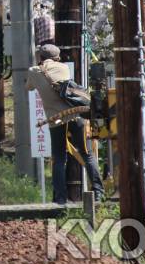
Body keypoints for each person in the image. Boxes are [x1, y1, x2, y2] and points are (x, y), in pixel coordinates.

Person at [26, 43, 105, 205]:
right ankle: (98, 193)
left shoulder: (33, 72)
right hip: (76, 116)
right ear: (57, 57)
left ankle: (60, 199)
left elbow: (29, 87)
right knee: (87, 154)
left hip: (55, 120)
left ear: (40, 57)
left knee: (59, 159)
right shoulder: (64, 68)